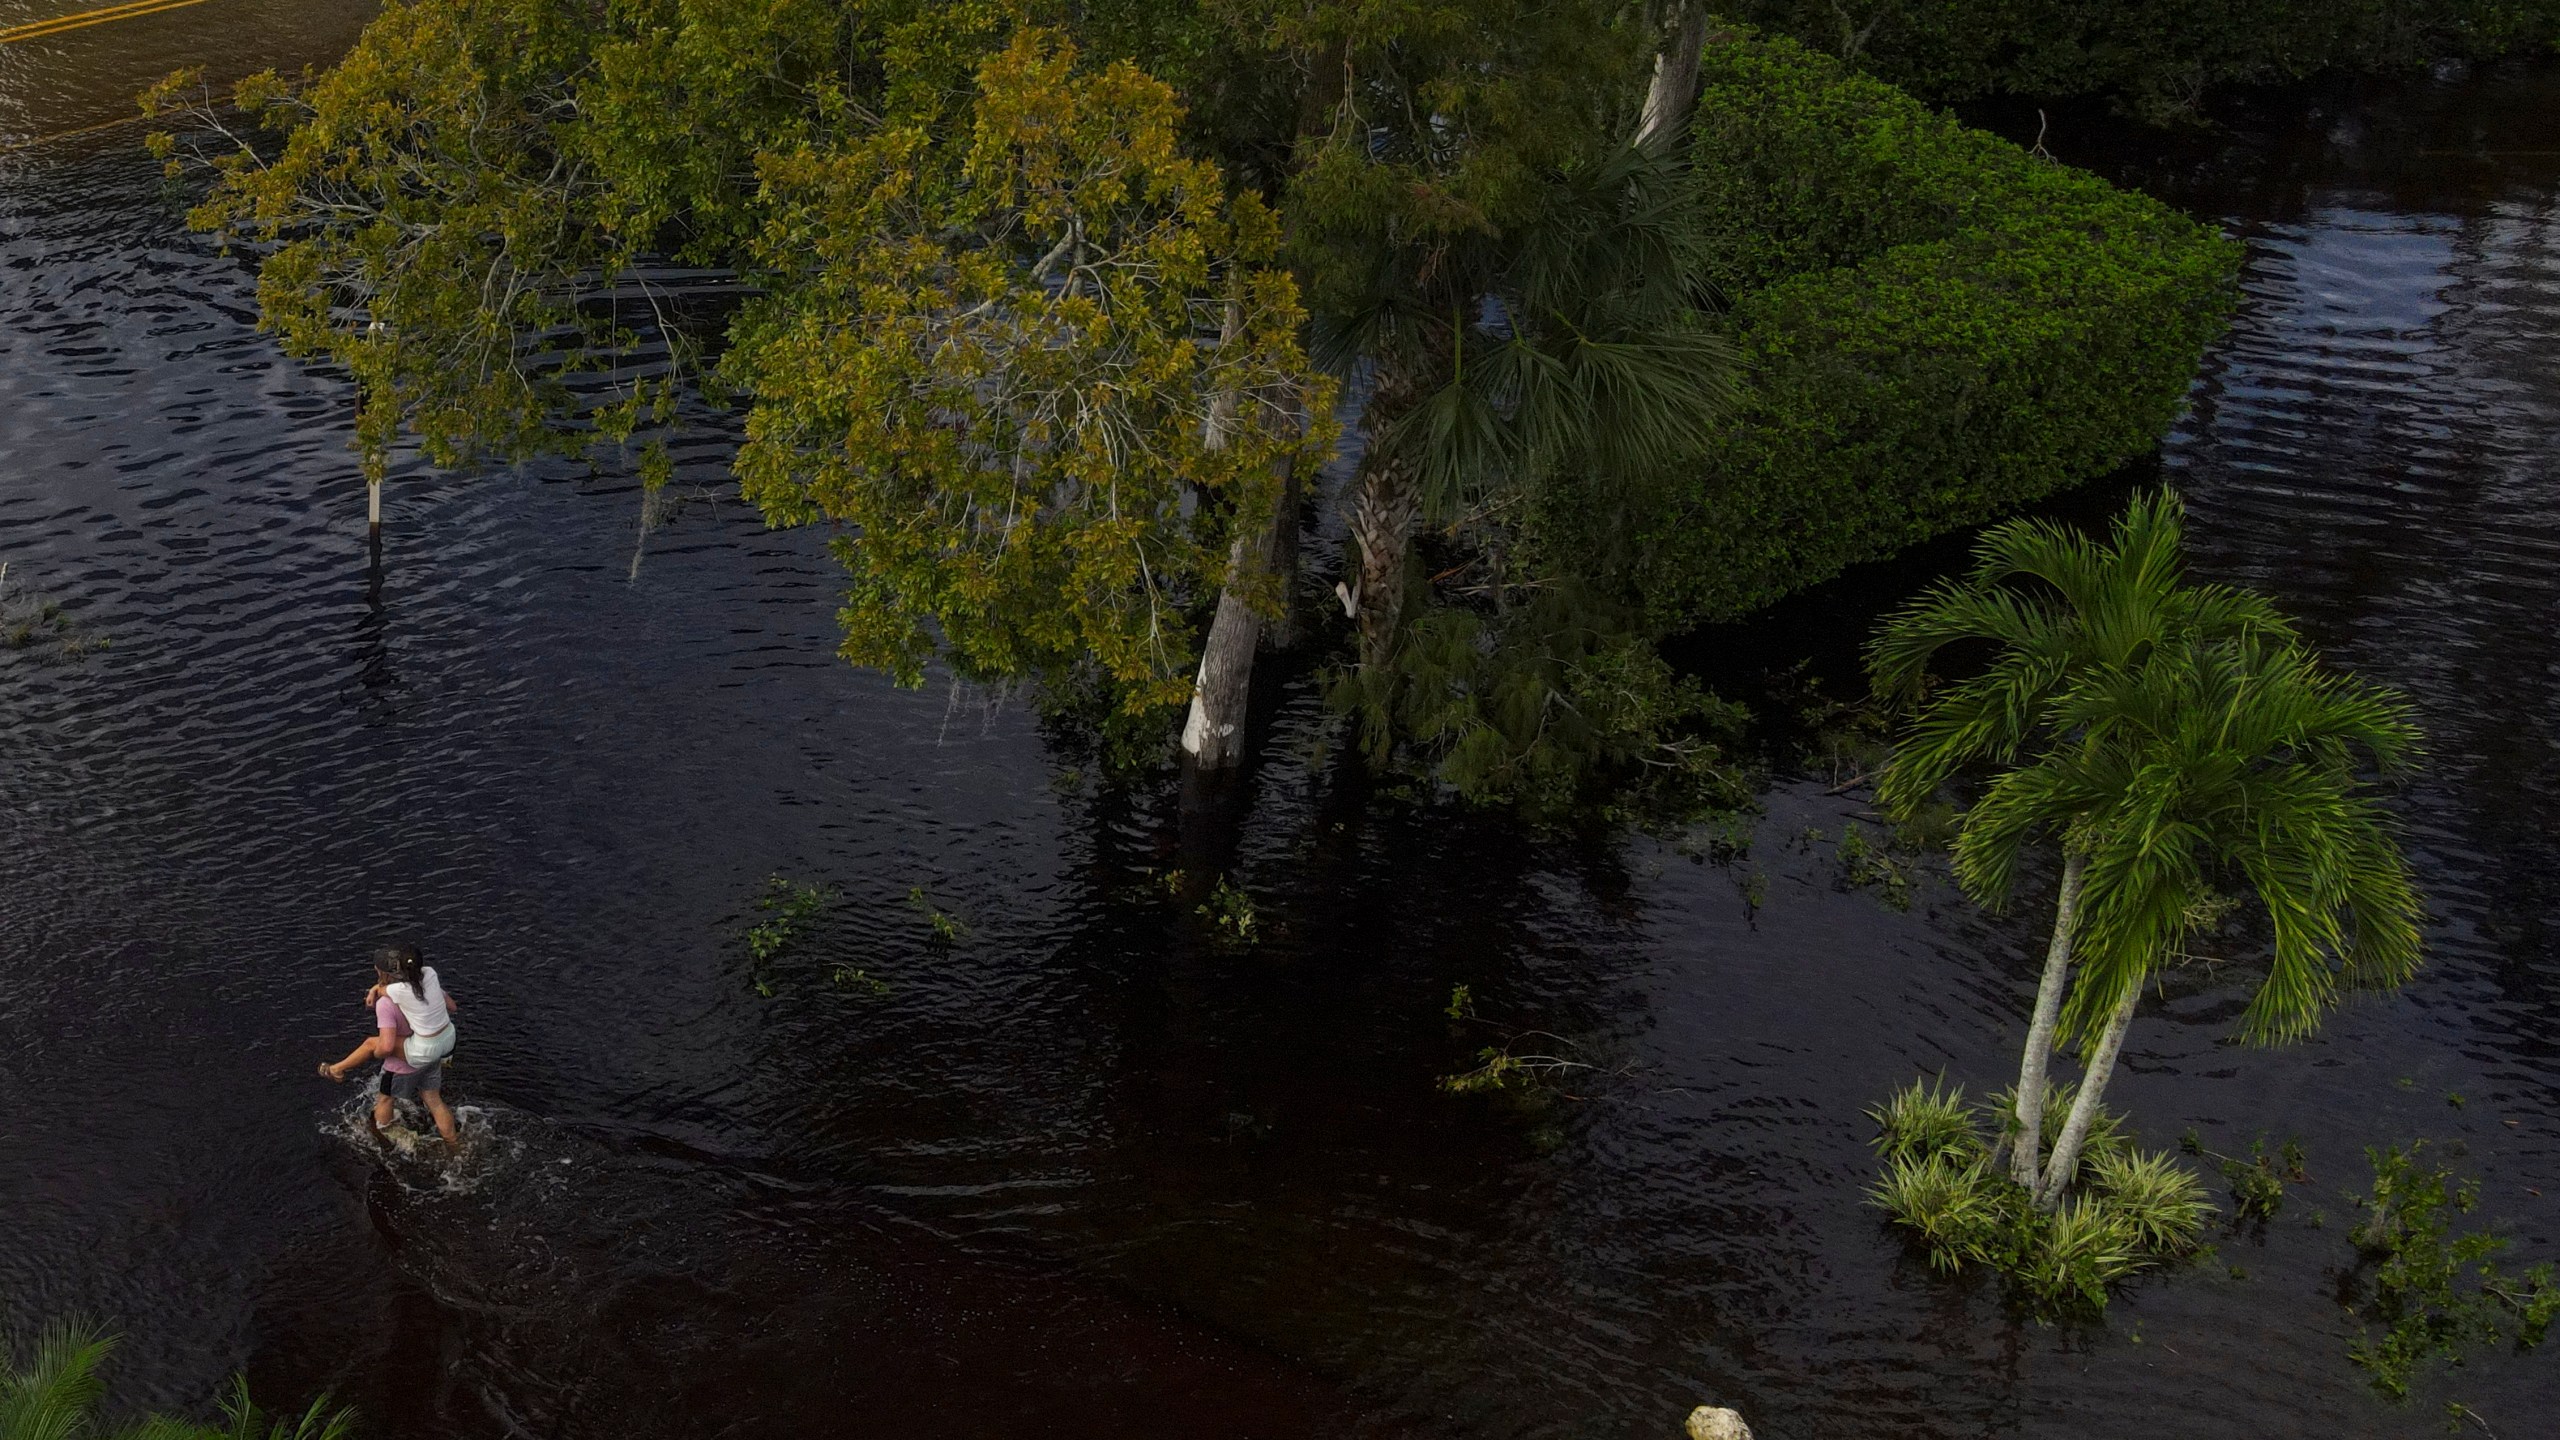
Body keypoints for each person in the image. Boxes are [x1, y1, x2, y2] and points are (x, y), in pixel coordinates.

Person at [319, 940, 462, 1149]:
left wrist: (378, 1054)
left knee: (383, 1092)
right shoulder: (430, 976)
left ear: (384, 974)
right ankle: (454, 1144)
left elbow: (386, 1046)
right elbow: (452, 1007)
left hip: (417, 1055)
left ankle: (383, 1138)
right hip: (446, 1042)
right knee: (433, 1099)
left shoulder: (388, 1001)